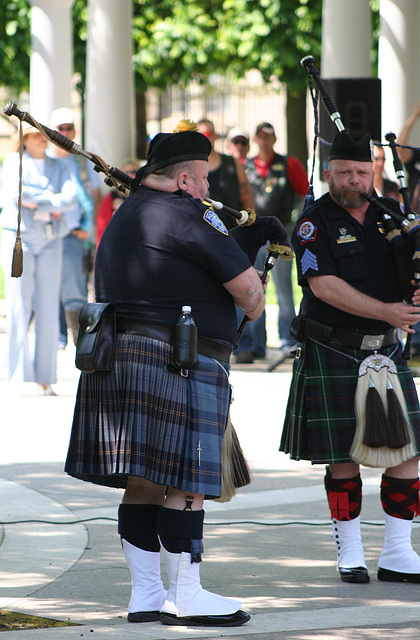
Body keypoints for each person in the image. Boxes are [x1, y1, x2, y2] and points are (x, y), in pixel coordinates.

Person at [65, 121, 266, 627]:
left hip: (118, 357)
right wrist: (259, 261)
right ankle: (186, 593)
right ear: (182, 180)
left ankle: (147, 594)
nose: (206, 190)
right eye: (202, 179)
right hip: (178, 360)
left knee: (144, 481)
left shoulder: (124, 215)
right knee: (186, 479)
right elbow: (251, 298)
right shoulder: (189, 216)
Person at [280, 130, 420, 585]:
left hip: (386, 350)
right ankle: (352, 552)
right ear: (328, 172)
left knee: (408, 455)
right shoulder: (313, 222)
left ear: (373, 172)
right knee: (343, 457)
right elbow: (322, 286)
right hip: (333, 347)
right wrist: (388, 311)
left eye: (362, 171)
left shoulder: (392, 216)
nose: (354, 180)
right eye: (345, 172)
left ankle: (399, 552)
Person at [0, 122, 77, 395]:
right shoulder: (13, 161)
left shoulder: (60, 165)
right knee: (20, 305)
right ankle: (17, 376)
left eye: (44, 135)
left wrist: (43, 200)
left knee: (48, 307)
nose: (42, 140)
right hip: (20, 239)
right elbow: (19, 195)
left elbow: (71, 199)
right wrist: (53, 199)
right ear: (24, 139)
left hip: (51, 238)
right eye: (36, 135)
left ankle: (45, 379)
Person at [240, 122, 309, 363]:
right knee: (252, 285)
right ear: (256, 139)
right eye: (260, 137)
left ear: (275, 139)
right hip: (253, 233)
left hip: (280, 232)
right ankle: (253, 342)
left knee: (282, 289)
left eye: (268, 137)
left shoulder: (289, 163)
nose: (264, 141)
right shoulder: (245, 165)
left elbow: (305, 193)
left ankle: (287, 340)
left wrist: (296, 222)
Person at [49, 108, 102, 348]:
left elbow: (96, 195)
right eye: (60, 128)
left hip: (74, 234)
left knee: (75, 292)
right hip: (46, 235)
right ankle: (53, 341)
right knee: (47, 289)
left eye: (68, 128)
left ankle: (80, 346)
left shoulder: (82, 160)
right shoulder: (44, 157)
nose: (65, 133)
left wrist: (89, 228)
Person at [196, 119, 254, 230]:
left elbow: (246, 196)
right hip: (203, 233)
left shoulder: (232, 162)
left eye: (208, 133)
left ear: (215, 136)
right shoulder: (191, 167)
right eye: (200, 135)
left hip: (232, 232)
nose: (205, 137)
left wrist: (251, 226)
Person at [96, 157, 141, 247]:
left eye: (134, 172)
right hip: (116, 246)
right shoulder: (111, 198)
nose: (130, 175)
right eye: (126, 173)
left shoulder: (145, 196)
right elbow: (102, 227)